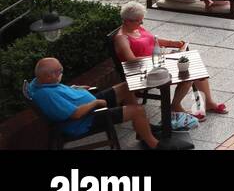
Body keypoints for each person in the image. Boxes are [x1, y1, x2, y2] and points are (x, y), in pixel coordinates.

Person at [112, 2, 228, 124]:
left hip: (156, 63)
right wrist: (160, 57)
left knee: (194, 64)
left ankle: (208, 102)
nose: (142, 24)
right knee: (188, 73)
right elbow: (131, 60)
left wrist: (173, 43)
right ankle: (175, 106)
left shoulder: (136, 28)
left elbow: (152, 40)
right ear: (128, 21)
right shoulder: (122, 38)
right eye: (139, 21)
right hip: (143, 71)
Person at [28, 57, 170, 149]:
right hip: (88, 118)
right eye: (59, 71)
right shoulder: (47, 95)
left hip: (90, 104)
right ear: (47, 76)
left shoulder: (39, 83)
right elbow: (76, 114)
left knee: (126, 87)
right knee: (137, 110)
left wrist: (74, 89)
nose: (61, 72)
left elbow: (60, 92)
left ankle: (141, 129)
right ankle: (153, 144)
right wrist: (95, 103)